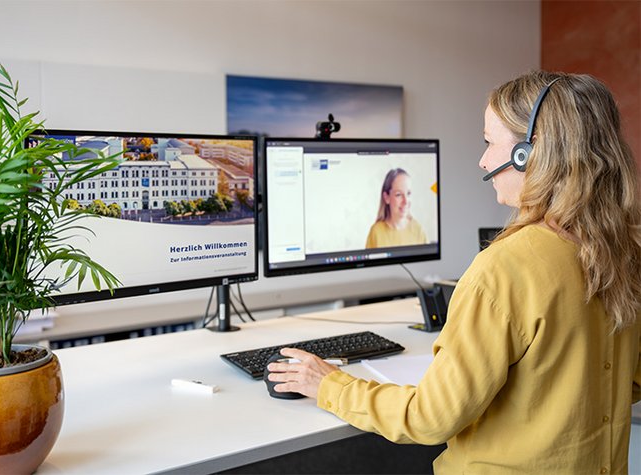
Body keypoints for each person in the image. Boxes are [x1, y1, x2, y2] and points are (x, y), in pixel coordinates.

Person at [267, 71, 641, 473]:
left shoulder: (506, 267)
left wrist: (327, 384)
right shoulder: (625, 251)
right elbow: (627, 383)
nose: (482, 160)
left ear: (528, 153)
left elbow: (431, 419)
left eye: (488, 142)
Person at [365, 168, 427, 248]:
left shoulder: (418, 230)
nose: (405, 201)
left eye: (408, 193)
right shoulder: (376, 232)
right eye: (398, 195)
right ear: (386, 197)